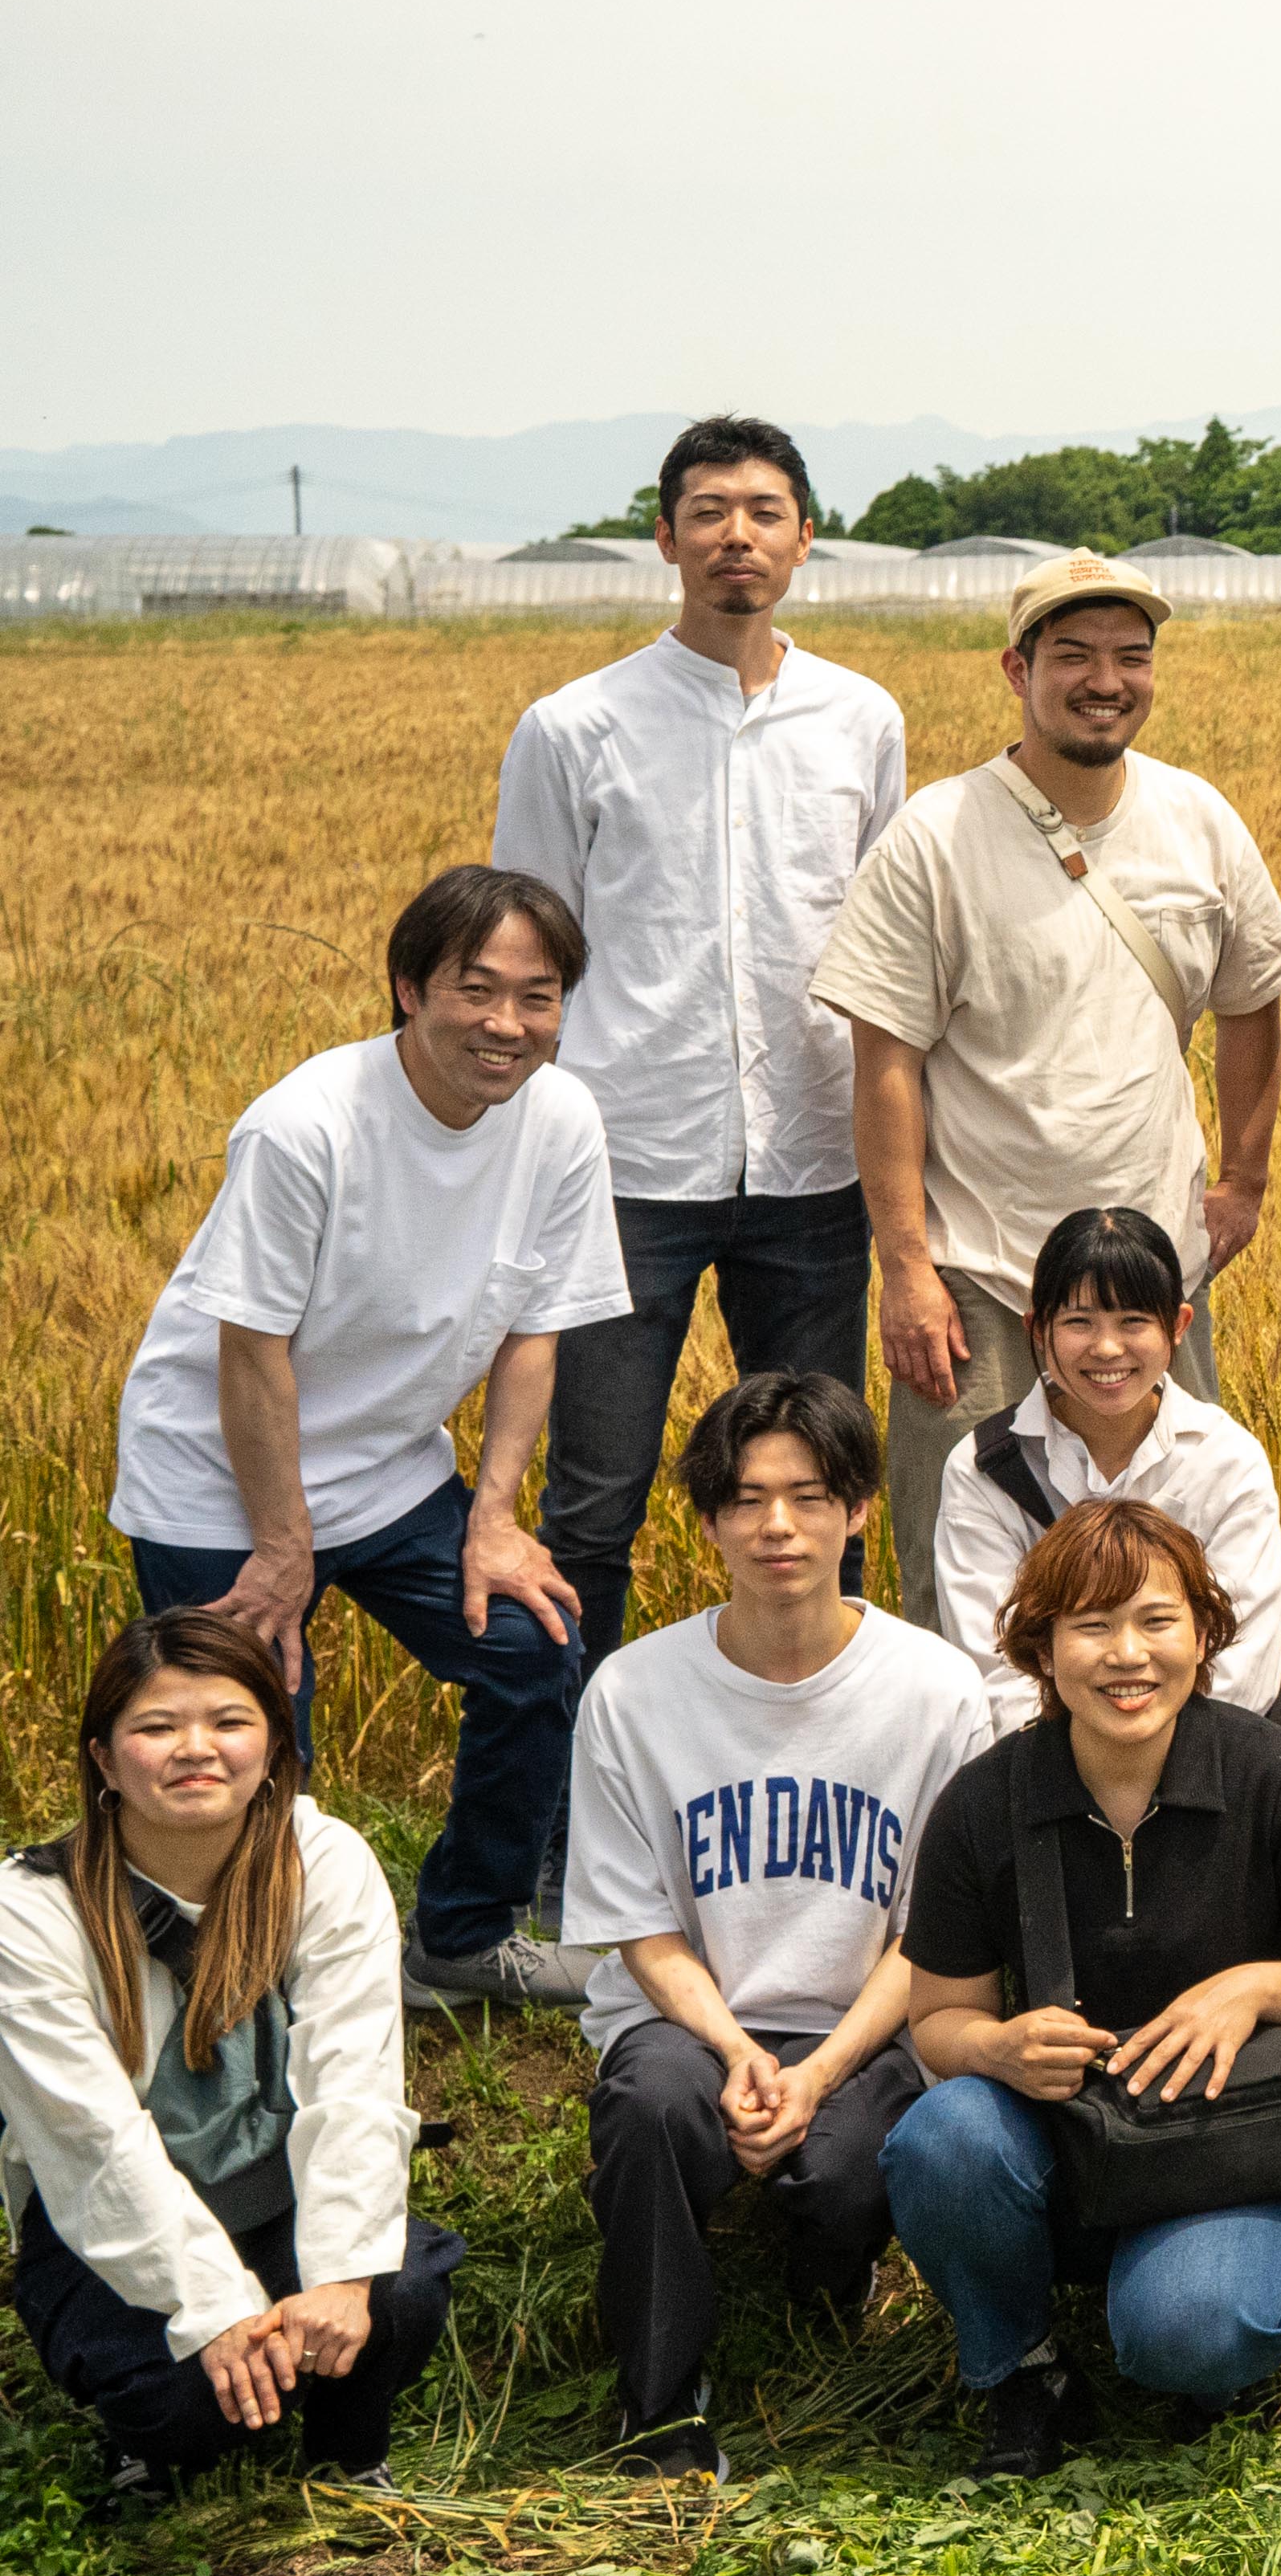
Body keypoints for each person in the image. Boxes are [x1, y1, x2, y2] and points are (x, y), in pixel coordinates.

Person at [108, 866, 631, 2008]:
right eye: (476, 989)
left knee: (535, 1646)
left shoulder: (562, 1120)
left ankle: (462, 1934)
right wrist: (281, 1547)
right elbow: (252, 1352)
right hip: (216, 1478)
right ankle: (244, 1978)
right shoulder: (306, 1127)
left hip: (389, 1469)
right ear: (409, 987)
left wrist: (496, 1520)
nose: (506, 1024)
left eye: (537, 996)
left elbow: (534, 1331)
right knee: (245, 1732)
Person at [493, 413, 907, 1655]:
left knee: (824, 1494)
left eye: (765, 512)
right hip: (626, 1167)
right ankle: (575, 1765)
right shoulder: (575, 727)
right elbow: (526, 958)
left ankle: (823, 1737)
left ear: (805, 538)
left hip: (815, 1165)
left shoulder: (861, 720)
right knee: (594, 1504)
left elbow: (886, 943)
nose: (739, 535)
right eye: (710, 513)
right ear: (666, 538)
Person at [814, 553, 1281, 1618]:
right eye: (1073, 655)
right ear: (1017, 670)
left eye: (1131, 656)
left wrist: (1247, 1181)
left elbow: (1255, 998)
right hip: (983, 1284)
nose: (1105, 680)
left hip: (1155, 1282)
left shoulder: (1198, 819)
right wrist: (907, 1269)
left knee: (1175, 1575)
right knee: (966, 1591)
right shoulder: (935, 836)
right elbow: (885, 1064)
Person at [880, 1501, 1281, 2474]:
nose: (1128, 1654)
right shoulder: (984, 1802)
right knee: (941, 2135)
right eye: (1091, 1625)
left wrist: (1250, 1989)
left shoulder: (1272, 1771)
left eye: (1158, 1620)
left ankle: (1210, 2331)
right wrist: (999, 2047)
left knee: (1189, 2334)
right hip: (1072, 2137)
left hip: (1243, 2139)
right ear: (1042, 1649)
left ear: (1203, 1634)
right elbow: (940, 2020)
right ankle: (1019, 2367)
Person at [565, 1373, 980, 2475]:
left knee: (844, 2173)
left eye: (809, 1496)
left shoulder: (937, 1691)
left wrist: (821, 2071)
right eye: (746, 1499)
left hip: (862, 2022)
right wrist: (741, 2053)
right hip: (692, 2022)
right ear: (708, 1521)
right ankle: (658, 2407)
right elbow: (644, 1932)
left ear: (859, 1509)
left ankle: (821, 2289)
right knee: (653, 2105)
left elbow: (931, 1936)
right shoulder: (632, 1692)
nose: (777, 1526)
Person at [0, 1616, 455, 2509]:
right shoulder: (31, 1911)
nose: (195, 1749)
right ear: (103, 1758)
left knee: (397, 2298)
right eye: (156, 1726)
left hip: (274, 2196)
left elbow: (354, 2084)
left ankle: (346, 2456)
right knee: (182, 2403)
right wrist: (217, 2309)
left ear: (276, 1745)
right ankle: (155, 2440)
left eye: (229, 1721)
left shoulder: (323, 1863)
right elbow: (93, 2143)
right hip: (102, 2226)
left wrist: (339, 2278)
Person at [921, 1210, 1281, 1744]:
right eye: (1080, 1322)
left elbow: (1243, 1666)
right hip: (1045, 1759)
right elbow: (995, 1667)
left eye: (1133, 1321)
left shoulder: (1226, 1460)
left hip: (1200, 1756)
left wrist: (1155, 1760)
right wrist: (1086, 1763)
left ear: (1178, 1326)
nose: (1107, 1348)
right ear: (1037, 1329)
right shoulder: (982, 1468)